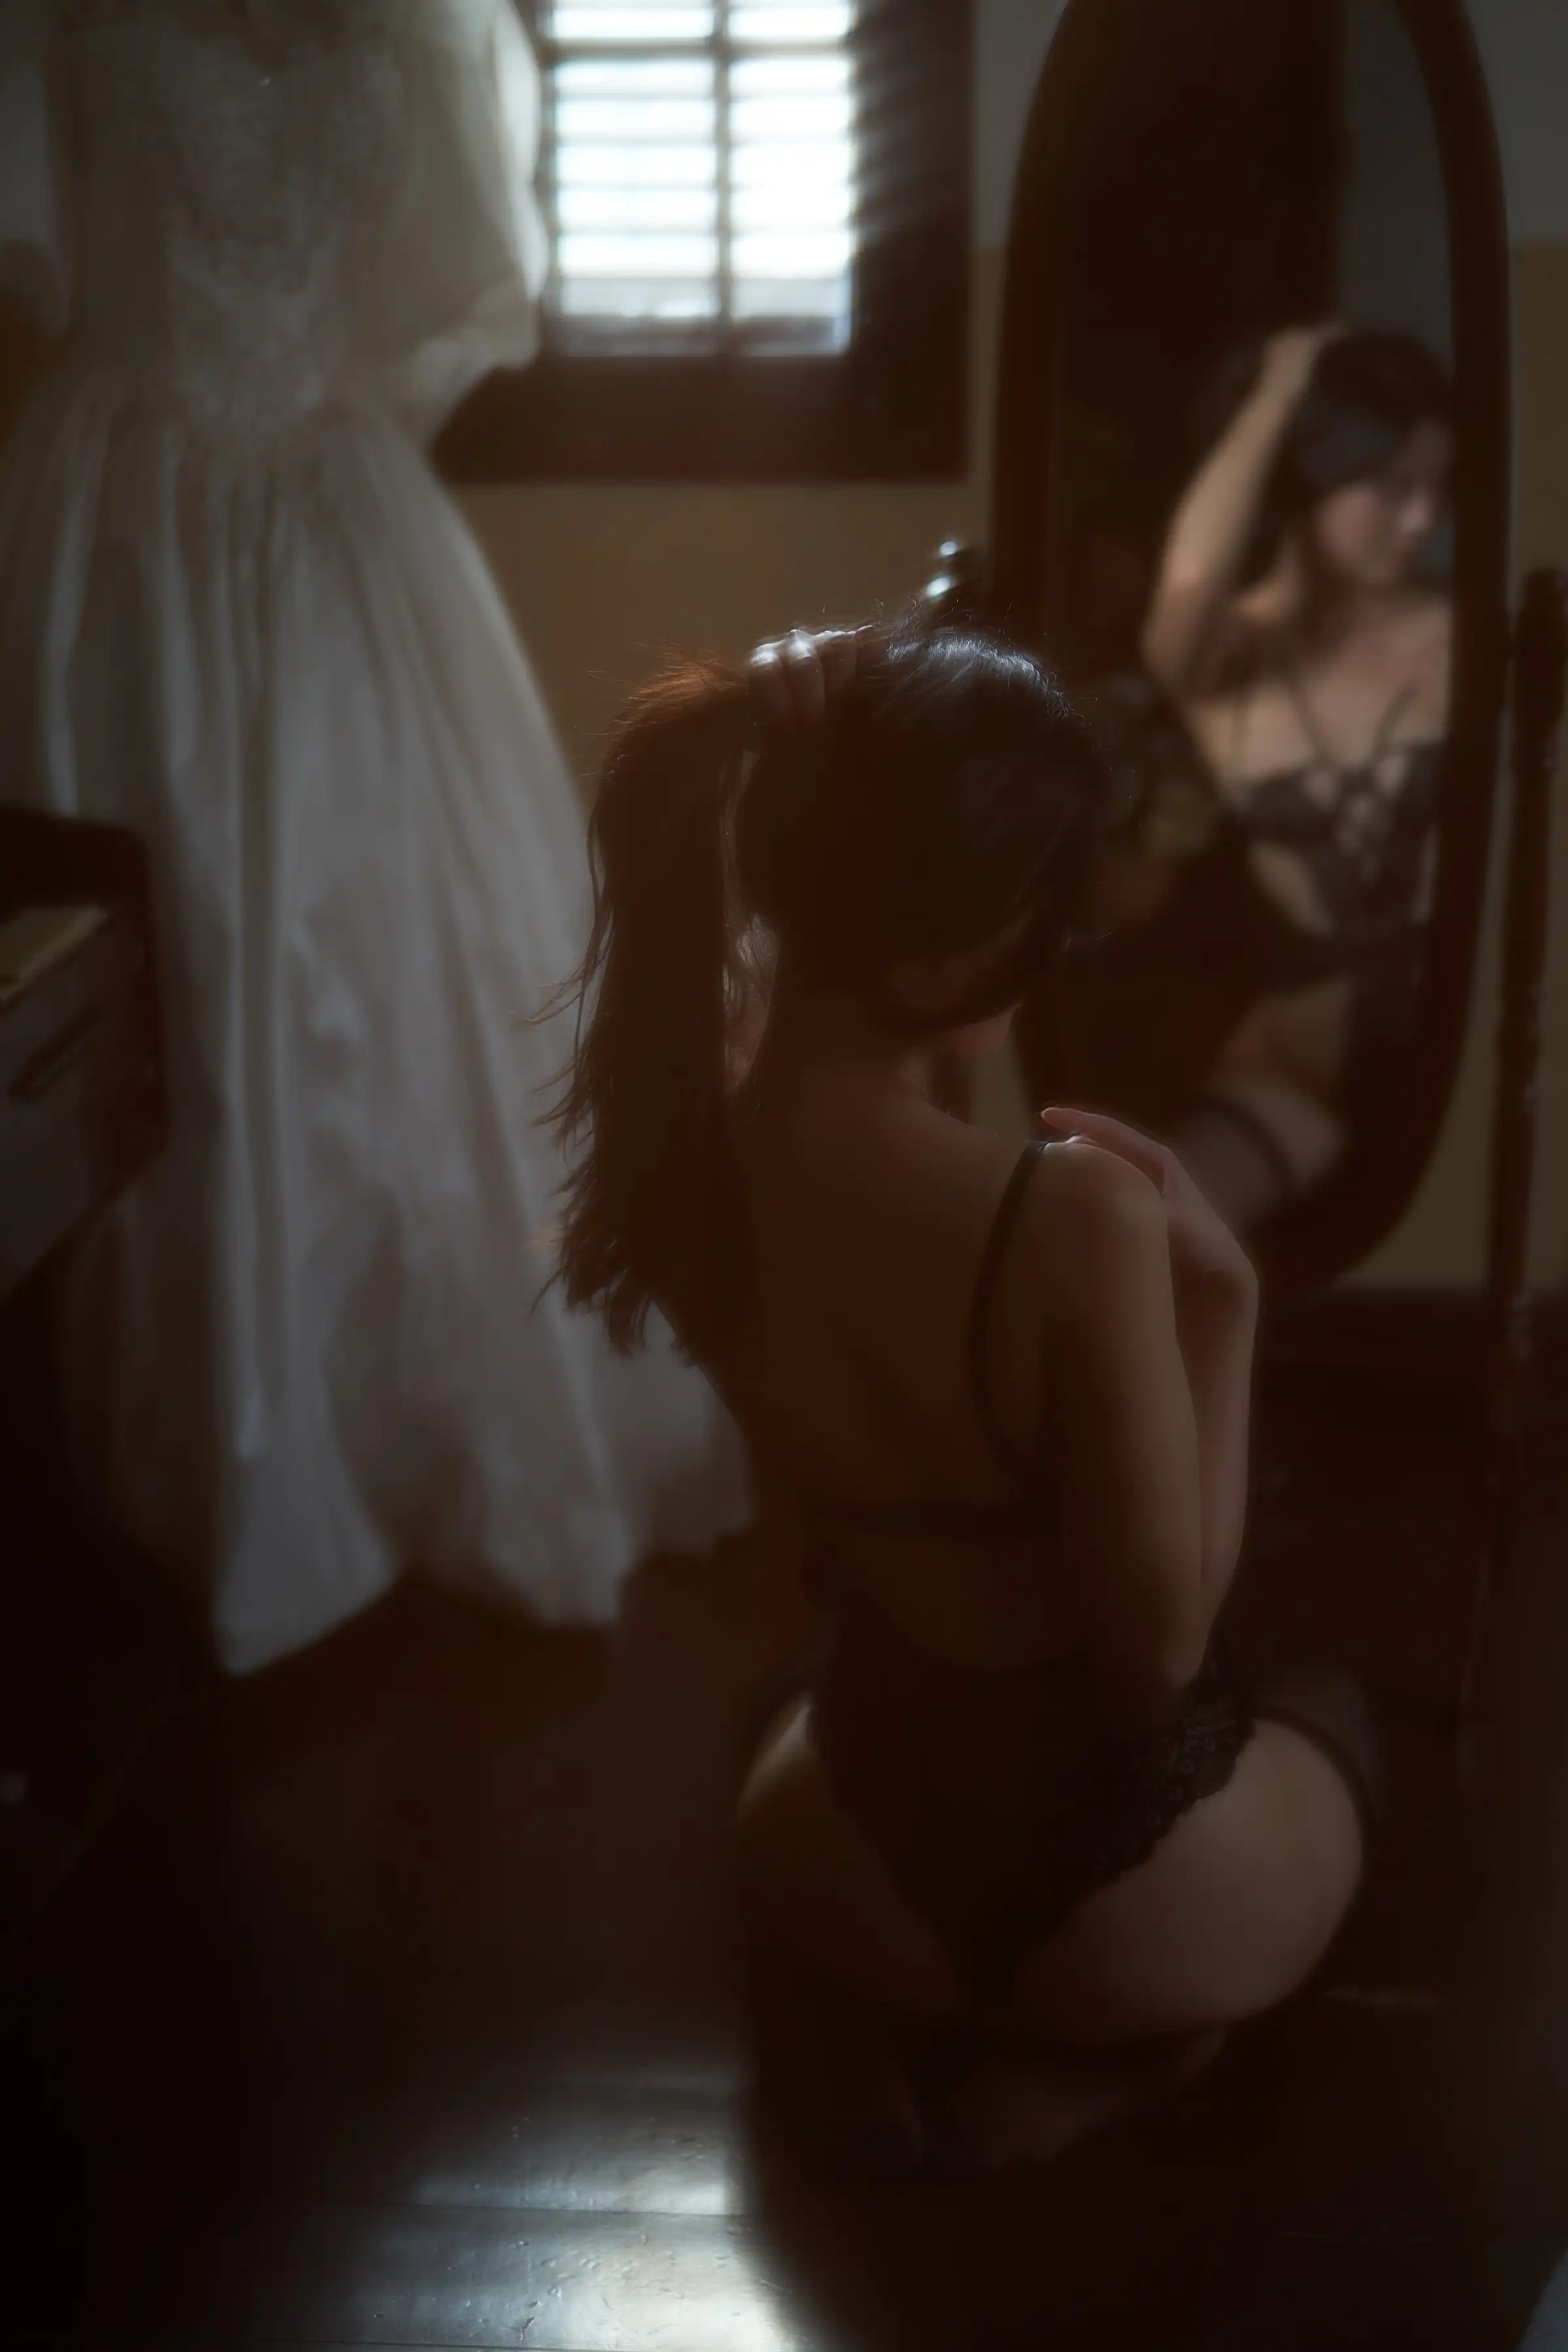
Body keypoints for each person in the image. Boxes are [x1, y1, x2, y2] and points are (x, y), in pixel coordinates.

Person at [552, 619, 1380, 2178]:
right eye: (1036, 906)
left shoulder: (680, 1153)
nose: (1052, 940)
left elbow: (813, 1003)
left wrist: (836, 712)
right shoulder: (1073, 1214)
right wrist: (1227, 1313)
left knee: (801, 1682)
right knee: (1332, 1715)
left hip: (841, 1861)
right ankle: (1110, 2072)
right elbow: (1154, 1663)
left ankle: (880, 2026)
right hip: (1134, 1908)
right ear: (945, 942)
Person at [0, 0, 749, 1671]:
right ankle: (202, 1454)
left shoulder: (422, 25)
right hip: (129, 537)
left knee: (388, 957)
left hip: (336, 535)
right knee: (157, 956)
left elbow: (438, 303)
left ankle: (376, 1438)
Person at [1137, 325, 1454, 1232]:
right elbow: (1189, 585)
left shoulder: (1459, 636)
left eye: (1437, 487)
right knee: (1147, 1226)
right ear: (1302, 475)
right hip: (1297, 1061)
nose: (1422, 520)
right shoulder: (1222, 662)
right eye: (1391, 486)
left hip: (1466, 1037)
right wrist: (1277, 393)